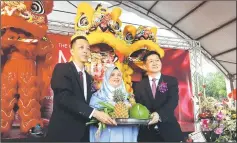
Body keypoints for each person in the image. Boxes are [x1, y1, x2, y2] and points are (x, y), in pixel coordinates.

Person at [45, 36, 117, 142]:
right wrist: (95, 113)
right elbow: (64, 97)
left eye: (88, 48)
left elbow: (91, 101)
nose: (85, 51)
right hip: (62, 133)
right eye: (81, 47)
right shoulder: (62, 68)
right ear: (72, 51)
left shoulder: (89, 77)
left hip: (83, 134)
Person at [134, 50, 184, 142]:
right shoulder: (138, 86)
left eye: (157, 60)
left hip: (169, 131)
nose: (155, 63)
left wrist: (159, 115)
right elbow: (138, 105)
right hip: (147, 134)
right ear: (144, 66)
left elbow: (173, 101)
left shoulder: (170, 81)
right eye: (151, 61)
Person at [89, 66, 138, 142]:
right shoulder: (97, 96)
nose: (116, 77)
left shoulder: (128, 96)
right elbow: (92, 114)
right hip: (105, 135)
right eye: (112, 75)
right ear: (106, 77)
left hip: (126, 134)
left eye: (119, 75)